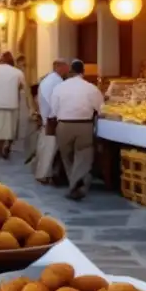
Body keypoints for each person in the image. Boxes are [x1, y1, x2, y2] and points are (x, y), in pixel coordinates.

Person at [50, 59, 103, 200]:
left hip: (64, 126)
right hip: (84, 125)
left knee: (67, 156)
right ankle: (77, 181)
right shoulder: (91, 88)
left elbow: (53, 110)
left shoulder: (60, 87)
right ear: (83, 72)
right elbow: (100, 108)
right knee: (84, 155)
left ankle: (74, 183)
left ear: (70, 71)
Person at [0, 52, 33, 159]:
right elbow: (27, 90)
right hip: (13, 104)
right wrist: (31, 107)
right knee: (12, 129)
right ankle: (8, 146)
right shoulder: (18, 72)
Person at [32, 59, 69, 183]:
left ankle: (40, 171)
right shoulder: (56, 81)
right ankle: (43, 175)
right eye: (66, 67)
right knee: (49, 148)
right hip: (52, 119)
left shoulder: (49, 79)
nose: (68, 70)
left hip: (47, 117)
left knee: (44, 146)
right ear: (59, 67)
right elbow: (56, 101)